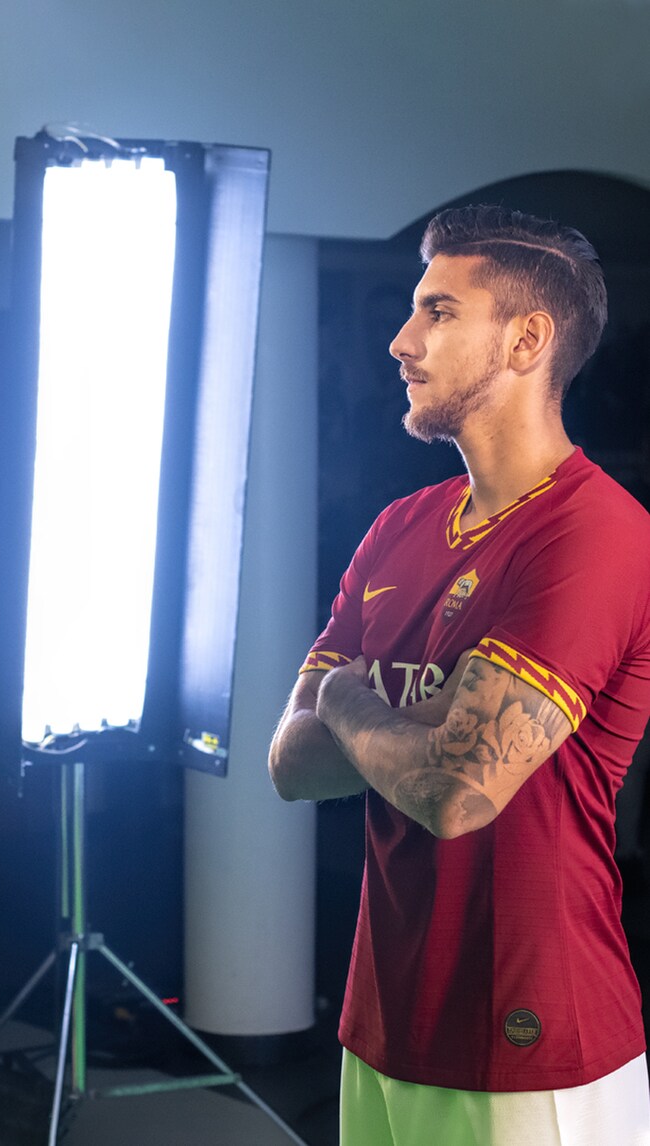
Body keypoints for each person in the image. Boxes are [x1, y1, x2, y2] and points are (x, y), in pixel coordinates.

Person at [268, 205, 650, 1146]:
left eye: (438, 312)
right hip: (382, 1025)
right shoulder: (398, 527)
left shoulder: (595, 533)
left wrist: (346, 695)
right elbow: (291, 764)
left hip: (530, 1042)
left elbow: (457, 791)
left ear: (527, 340)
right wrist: (411, 720)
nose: (401, 342)